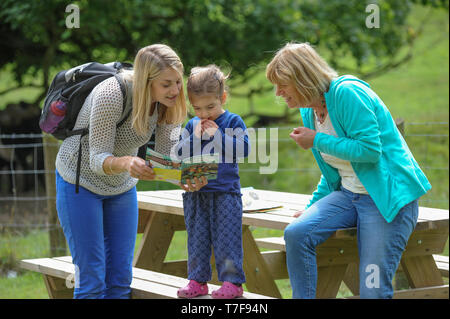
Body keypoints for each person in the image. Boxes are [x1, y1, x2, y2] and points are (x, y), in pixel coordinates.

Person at [265, 42, 431, 299]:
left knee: (372, 288)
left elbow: (369, 150)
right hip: (348, 195)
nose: (278, 92)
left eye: (282, 84)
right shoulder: (310, 112)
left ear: (302, 78)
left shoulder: (347, 93)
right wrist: (314, 205)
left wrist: (316, 140)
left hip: (385, 199)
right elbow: (334, 170)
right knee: (297, 234)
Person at [55, 44, 206, 299]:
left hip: (121, 187)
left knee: (120, 280)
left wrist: (185, 176)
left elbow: (166, 155)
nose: (175, 90)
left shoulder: (169, 103)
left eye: (178, 82)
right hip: (79, 181)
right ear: (146, 81)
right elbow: (96, 159)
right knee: (92, 279)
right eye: (166, 84)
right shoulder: (112, 93)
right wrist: (127, 162)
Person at [175, 65, 250, 299]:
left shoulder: (232, 122)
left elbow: (243, 150)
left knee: (227, 239)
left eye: (210, 106)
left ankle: (232, 282)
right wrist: (196, 137)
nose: (204, 113)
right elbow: (179, 154)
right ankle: (197, 281)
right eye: (197, 108)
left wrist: (217, 136)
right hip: (195, 194)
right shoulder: (191, 126)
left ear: (223, 98)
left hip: (225, 193)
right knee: (197, 239)